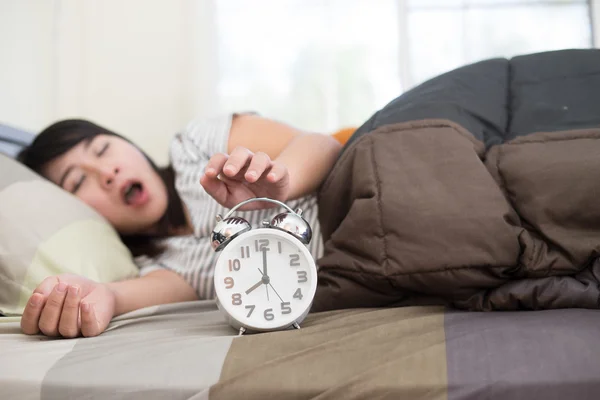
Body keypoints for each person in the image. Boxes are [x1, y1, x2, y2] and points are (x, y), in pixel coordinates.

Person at [17, 113, 342, 338]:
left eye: (102, 149)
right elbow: (114, 296)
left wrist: (281, 180)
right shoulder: (159, 266)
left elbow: (324, 144)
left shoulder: (194, 147)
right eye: (78, 182)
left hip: (355, 181)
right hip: (356, 259)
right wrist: (90, 295)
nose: (107, 172)